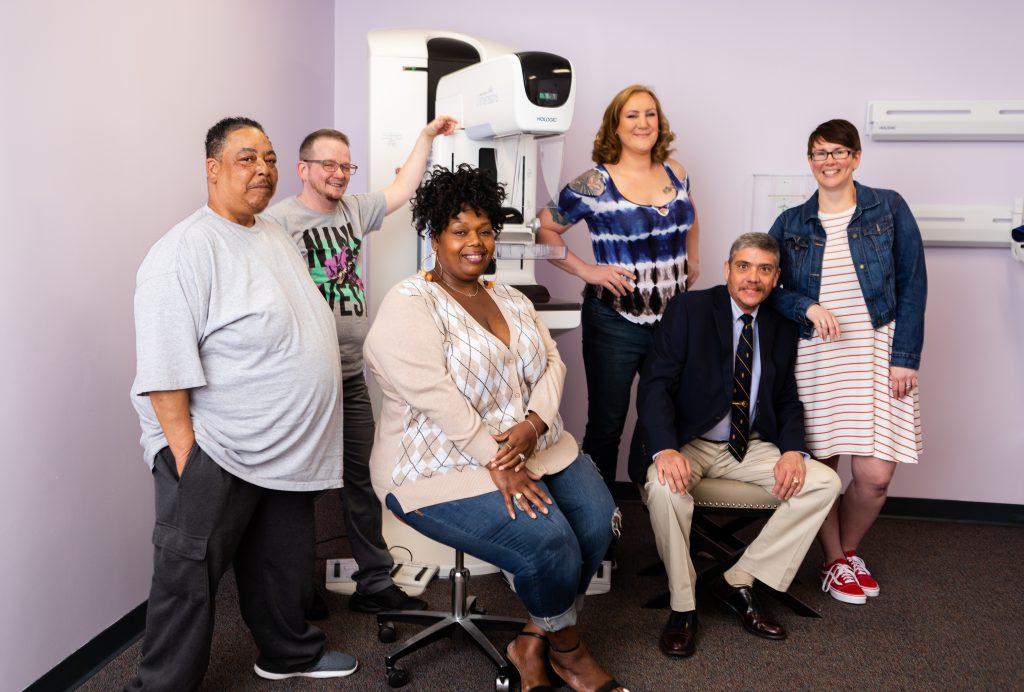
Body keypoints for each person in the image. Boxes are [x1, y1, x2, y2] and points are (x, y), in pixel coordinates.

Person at [364, 165, 627, 692]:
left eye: (484, 231)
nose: (475, 243)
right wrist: (498, 460)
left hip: (540, 446)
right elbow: (435, 397)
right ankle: (570, 653)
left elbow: (553, 364)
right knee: (548, 542)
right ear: (435, 237)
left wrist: (533, 423)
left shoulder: (509, 297)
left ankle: (531, 638)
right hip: (436, 466)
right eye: (460, 231)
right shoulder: (409, 304)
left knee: (599, 523)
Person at [128, 117, 356, 689]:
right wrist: (187, 458)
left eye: (271, 159)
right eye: (247, 158)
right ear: (212, 169)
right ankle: (160, 686)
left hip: (279, 447)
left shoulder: (269, 231)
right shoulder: (184, 251)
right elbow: (164, 368)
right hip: (217, 446)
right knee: (187, 577)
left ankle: (287, 653)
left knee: (279, 563)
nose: (263, 170)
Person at [265, 116, 456, 614]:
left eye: (345, 165)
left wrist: (426, 138)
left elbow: (402, 187)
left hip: (352, 373)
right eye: (327, 164)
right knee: (298, 487)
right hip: (303, 378)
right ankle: (296, 589)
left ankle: (374, 582)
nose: (339, 173)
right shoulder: (278, 223)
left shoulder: (352, 211)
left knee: (363, 480)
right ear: (303, 168)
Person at [636, 232, 841, 658]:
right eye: (744, 266)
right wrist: (665, 449)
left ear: (776, 277)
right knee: (662, 487)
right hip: (687, 442)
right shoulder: (690, 309)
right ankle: (683, 606)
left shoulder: (781, 325)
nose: (753, 278)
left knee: (823, 482)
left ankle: (739, 578)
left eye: (764, 269)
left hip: (747, 446)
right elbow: (655, 384)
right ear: (727, 269)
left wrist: (792, 451)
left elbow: (786, 397)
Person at [768, 119, 926, 605]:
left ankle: (848, 550)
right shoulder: (792, 222)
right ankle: (835, 560)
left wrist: (906, 358)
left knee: (875, 475)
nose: (829, 161)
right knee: (823, 469)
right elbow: (767, 288)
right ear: (809, 161)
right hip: (817, 356)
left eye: (838, 152)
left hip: (880, 353)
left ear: (856, 157)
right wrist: (807, 307)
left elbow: (913, 285)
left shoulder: (889, 206)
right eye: (819, 153)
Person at [536, 84, 700, 490]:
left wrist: (691, 259)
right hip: (615, 322)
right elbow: (545, 228)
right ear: (616, 125)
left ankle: (653, 515)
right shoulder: (595, 182)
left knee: (661, 418)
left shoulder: (675, 171)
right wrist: (587, 271)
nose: (643, 123)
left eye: (650, 114)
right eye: (632, 115)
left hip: (672, 322)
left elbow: (690, 217)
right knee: (607, 424)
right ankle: (600, 525)